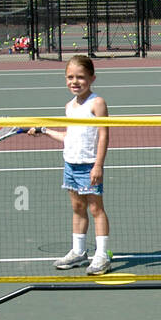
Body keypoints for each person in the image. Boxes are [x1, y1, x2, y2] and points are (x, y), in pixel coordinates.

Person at [40, 55, 112, 275]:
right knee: (77, 208)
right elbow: (69, 136)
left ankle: (102, 255)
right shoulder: (69, 106)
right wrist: (44, 130)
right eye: (70, 77)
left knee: (95, 209)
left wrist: (98, 165)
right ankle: (79, 252)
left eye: (80, 77)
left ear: (92, 78)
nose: (75, 81)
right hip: (70, 165)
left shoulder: (97, 103)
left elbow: (103, 136)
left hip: (89, 165)